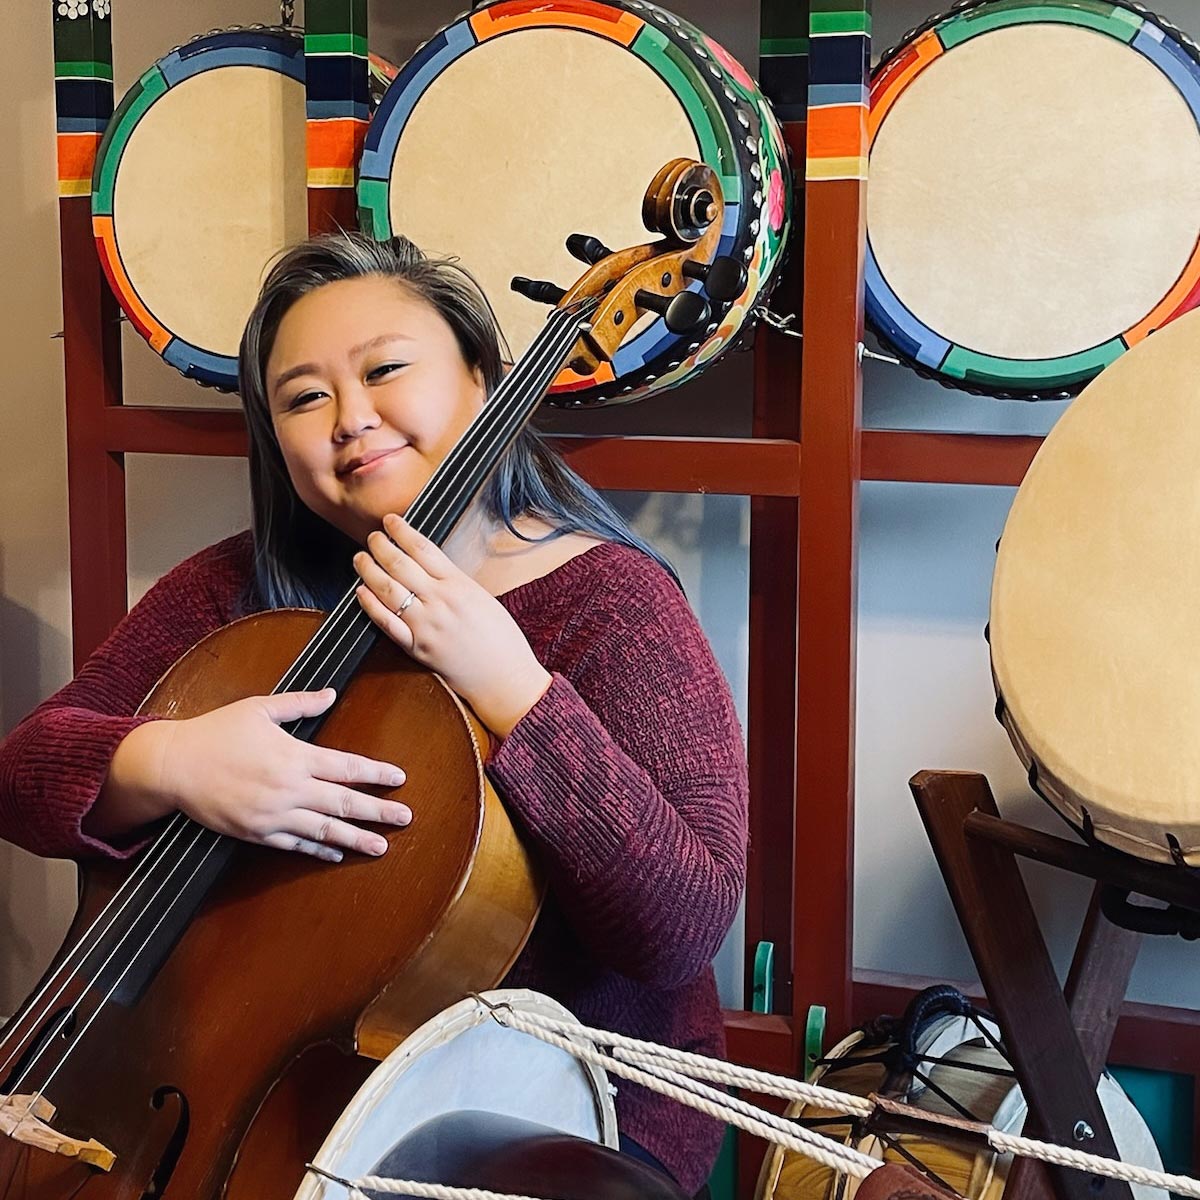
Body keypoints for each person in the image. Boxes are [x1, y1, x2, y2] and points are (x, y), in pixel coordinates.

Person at [0, 233, 748, 1194]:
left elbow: (679, 928)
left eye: (385, 370)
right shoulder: (231, 591)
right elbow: (21, 775)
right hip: (216, 1081)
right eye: (303, 397)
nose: (351, 419)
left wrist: (516, 694)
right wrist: (169, 761)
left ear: (482, 381)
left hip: (553, 1111)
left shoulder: (612, 604)